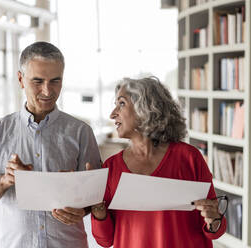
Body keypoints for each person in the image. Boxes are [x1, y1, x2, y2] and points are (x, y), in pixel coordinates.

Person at [0, 41, 101, 248]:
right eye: (37, 81)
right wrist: (5, 180)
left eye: (55, 81)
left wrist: (82, 209)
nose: (47, 91)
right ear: (21, 79)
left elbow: (96, 198)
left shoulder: (81, 132)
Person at [90, 77, 226, 248]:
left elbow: (214, 228)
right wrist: (99, 212)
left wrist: (214, 219)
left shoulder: (189, 158)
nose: (112, 113)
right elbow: (105, 240)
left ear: (144, 109)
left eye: (122, 104)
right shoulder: (111, 167)